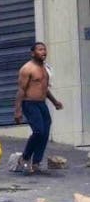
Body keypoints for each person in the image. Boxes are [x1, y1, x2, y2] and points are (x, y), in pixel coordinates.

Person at [13, 43, 63, 175]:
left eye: (44, 49)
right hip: (29, 104)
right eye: (40, 49)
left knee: (45, 133)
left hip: (42, 104)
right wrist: (17, 110)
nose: (43, 52)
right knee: (39, 132)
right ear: (33, 53)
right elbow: (21, 90)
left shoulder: (45, 69)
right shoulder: (27, 69)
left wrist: (54, 102)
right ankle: (24, 158)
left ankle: (36, 163)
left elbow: (44, 89)